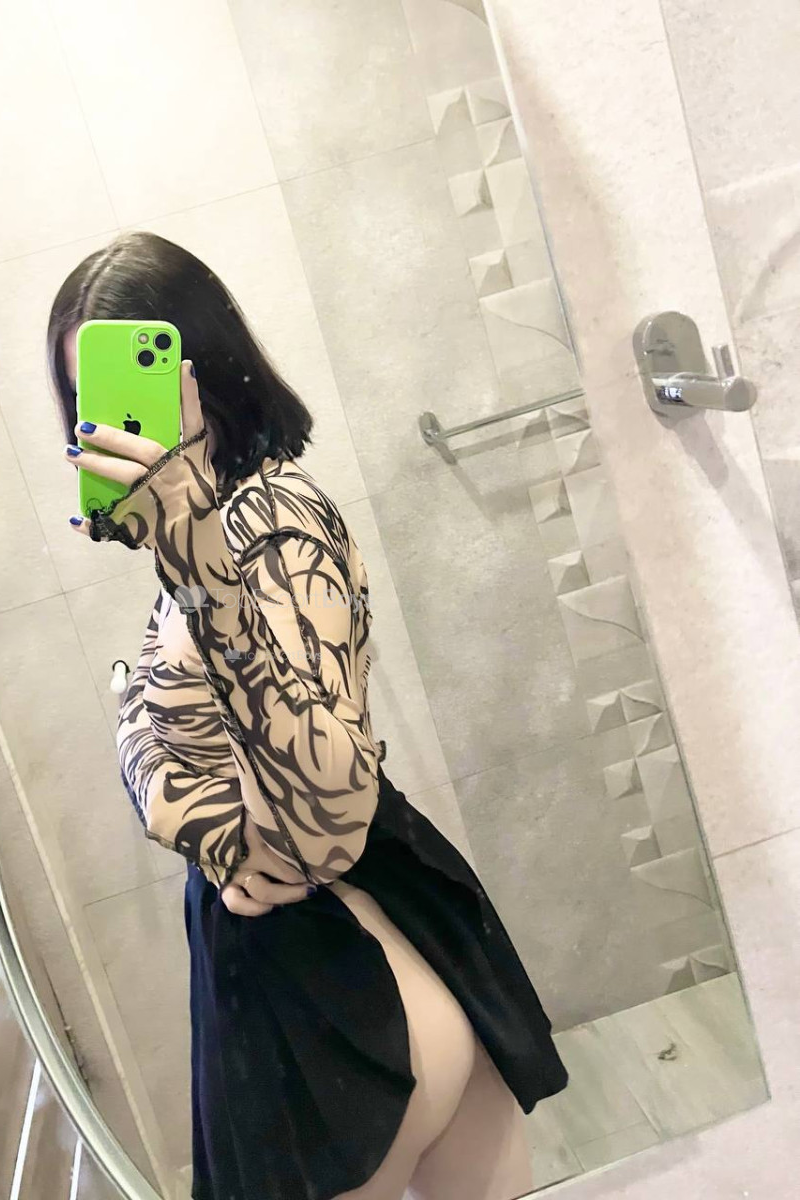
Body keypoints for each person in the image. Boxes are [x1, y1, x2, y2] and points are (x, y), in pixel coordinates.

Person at [47, 232, 568, 1200]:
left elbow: (322, 819)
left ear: (205, 374)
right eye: (91, 406)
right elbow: (166, 752)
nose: (115, 427)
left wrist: (191, 551)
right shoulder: (216, 535)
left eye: (134, 391)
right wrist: (223, 838)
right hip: (369, 958)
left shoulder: (266, 523)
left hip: (327, 1000)